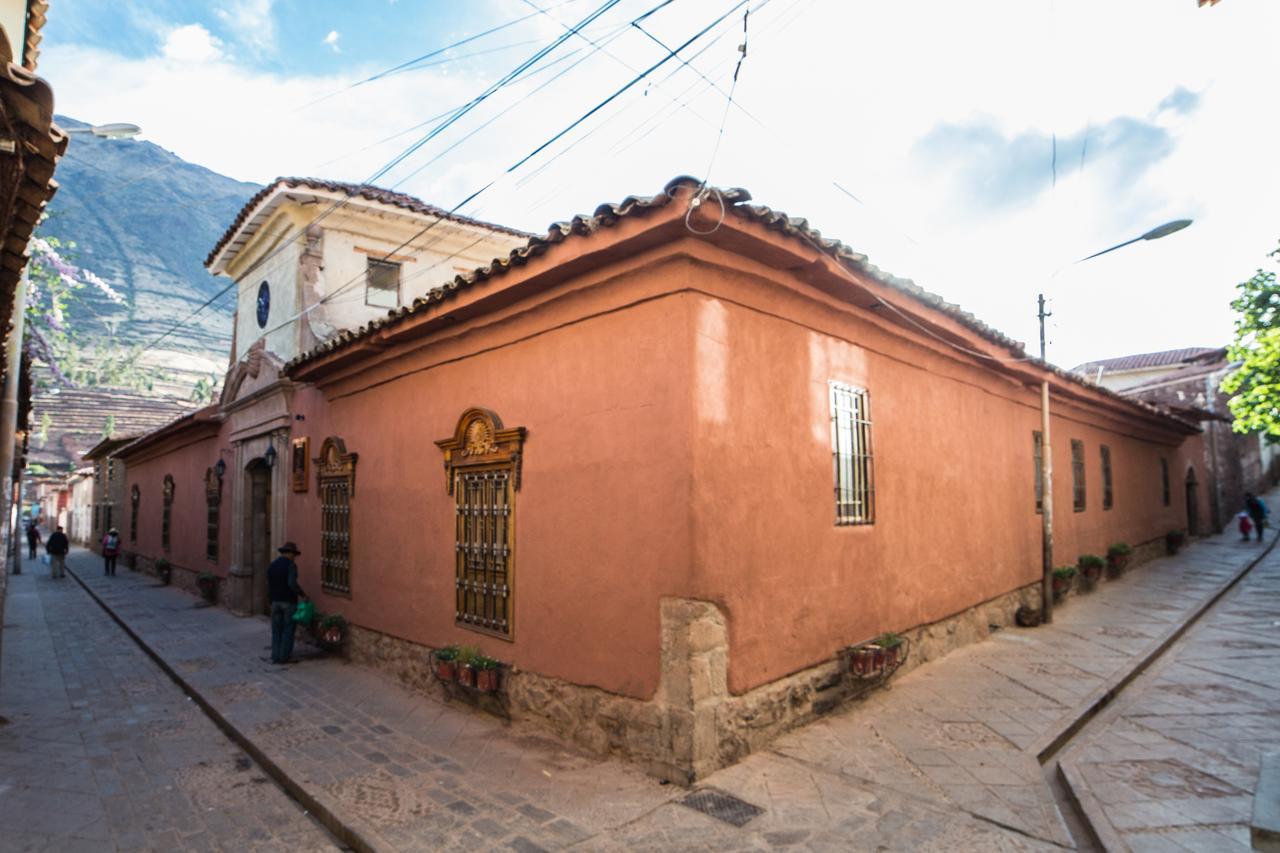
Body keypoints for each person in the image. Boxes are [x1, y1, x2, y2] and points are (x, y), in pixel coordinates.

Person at [268, 542, 306, 664]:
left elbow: (269, 583)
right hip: (288, 602)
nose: (294, 557)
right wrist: (303, 594)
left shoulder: (272, 565)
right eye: (293, 554)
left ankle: (275, 656)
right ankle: (284, 657)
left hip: (275, 602)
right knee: (288, 630)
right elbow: (292, 584)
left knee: (276, 630)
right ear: (289, 553)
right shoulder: (291, 566)